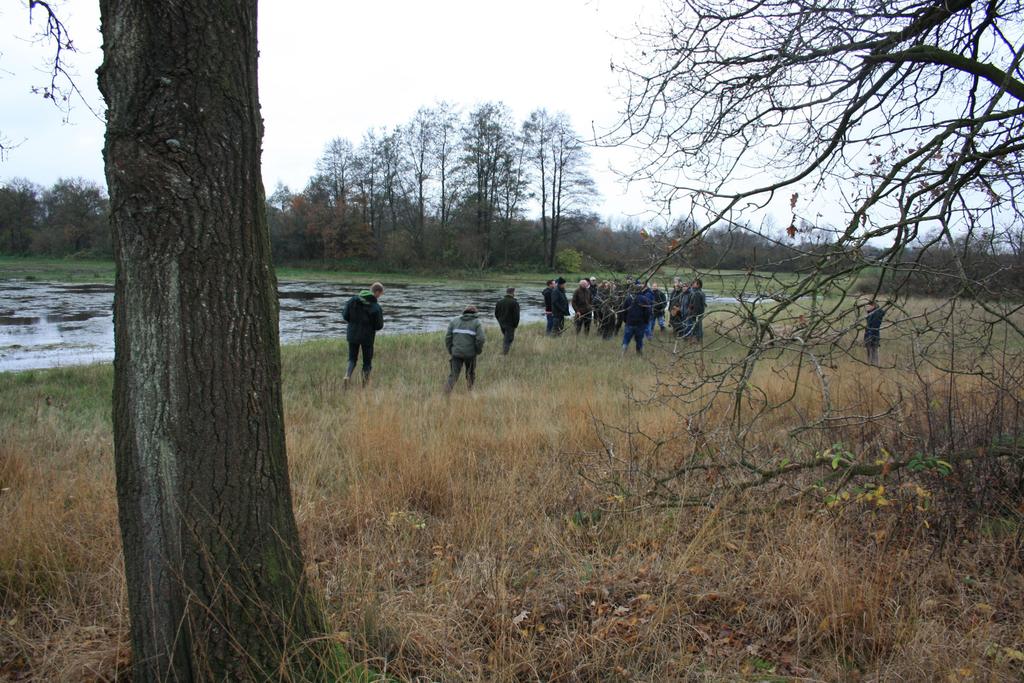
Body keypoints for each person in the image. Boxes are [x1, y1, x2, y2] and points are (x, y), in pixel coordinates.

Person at [342, 282, 385, 388]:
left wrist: (353, 323)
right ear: (376, 292)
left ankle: (347, 376)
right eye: (380, 294)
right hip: (367, 338)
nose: (380, 296)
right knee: (367, 362)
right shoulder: (376, 307)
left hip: (352, 335)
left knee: (352, 359)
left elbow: (345, 316)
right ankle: (364, 386)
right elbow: (379, 326)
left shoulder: (352, 301)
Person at [445, 305, 486, 392]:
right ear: (475, 313)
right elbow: (481, 339)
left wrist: (451, 350)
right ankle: (470, 393)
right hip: (470, 355)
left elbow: (448, 338)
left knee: (453, 375)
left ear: (464, 312)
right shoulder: (477, 322)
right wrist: (478, 350)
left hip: (456, 354)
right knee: (470, 374)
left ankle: (446, 395)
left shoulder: (454, 321)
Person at [621, 281, 652, 356]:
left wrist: (626, 320)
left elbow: (623, 311)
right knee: (639, 340)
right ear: (641, 290)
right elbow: (648, 312)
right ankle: (639, 353)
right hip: (640, 324)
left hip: (629, 323)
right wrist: (646, 321)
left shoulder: (628, 299)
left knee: (626, 339)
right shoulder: (644, 299)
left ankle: (623, 351)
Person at [494, 287, 520, 355]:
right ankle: (504, 354)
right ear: (513, 292)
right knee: (508, 339)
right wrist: (515, 325)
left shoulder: (499, 302)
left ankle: (506, 351)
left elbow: (496, 313)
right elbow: (516, 316)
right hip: (510, 324)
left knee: (507, 337)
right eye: (515, 292)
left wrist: (500, 321)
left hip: (501, 323)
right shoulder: (514, 302)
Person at [864, 300, 885, 366]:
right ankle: (870, 365)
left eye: (869, 306)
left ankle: (875, 365)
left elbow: (875, 325)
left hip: (874, 334)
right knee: (869, 350)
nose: (867, 307)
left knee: (874, 350)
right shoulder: (870, 313)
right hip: (868, 334)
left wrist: (870, 334)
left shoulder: (877, 313)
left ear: (873, 306)